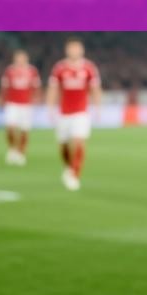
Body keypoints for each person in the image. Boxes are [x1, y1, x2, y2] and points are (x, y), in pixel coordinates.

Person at [47, 39, 101, 192]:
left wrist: (98, 107)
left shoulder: (89, 68)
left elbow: (95, 89)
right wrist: (50, 107)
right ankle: (68, 167)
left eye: (77, 48)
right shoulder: (59, 68)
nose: (74, 51)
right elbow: (53, 89)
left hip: (81, 112)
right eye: (72, 48)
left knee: (79, 141)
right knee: (63, 145)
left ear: (81, 50)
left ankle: (75, 175)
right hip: (64, 113)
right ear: (67, 50)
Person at [1, 49, 42, 166]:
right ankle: (12, 149)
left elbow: (36, 87)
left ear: (26, 59)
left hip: (26, 104)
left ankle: (21, 153)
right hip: (12, 104)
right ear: (14, 59)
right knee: (10, 128)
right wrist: (3, 101)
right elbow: (5, 88)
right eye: (18, 58)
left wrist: (37, 99)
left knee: (24, 130)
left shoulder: (32, 71)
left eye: (22, 58)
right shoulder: (9, 71)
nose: (20, 60)